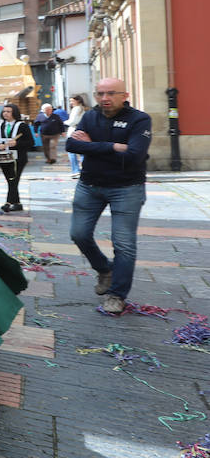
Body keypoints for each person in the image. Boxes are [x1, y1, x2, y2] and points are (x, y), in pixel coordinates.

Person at [66, 77, 152, 315]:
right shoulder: (90, 116)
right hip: (89, 185)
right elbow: (71, 146)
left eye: (111, 93)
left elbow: (135, 155)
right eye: (100, 93)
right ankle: (105, 269)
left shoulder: (139, 119)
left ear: (124, 95)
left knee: (123, 244)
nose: (105, 98)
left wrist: (92, 145)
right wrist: (114, 146)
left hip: (127, 188)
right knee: (78, 234)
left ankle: (117, 294)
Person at [0, 102, 35, 212]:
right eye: (4, 111)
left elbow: (30, 142)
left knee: (14, 180)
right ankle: (17, 204)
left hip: (18, 158)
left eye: (8, 112)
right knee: (10, 180)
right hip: (3, 157)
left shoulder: (22, 126)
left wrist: (17, 144)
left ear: (14, 113)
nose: (5, 113)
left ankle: (8, 203)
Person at [65, 94, 88, 177]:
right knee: (82, 152)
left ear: (77, 100)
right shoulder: (82, 108)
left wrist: (64, 122)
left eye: (72, 101)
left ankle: (75, 170)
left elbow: (72, 122)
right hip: (80, 131)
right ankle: (84, 169)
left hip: (73, 131)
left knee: (71, 151)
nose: (71, 102)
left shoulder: (76, 109)